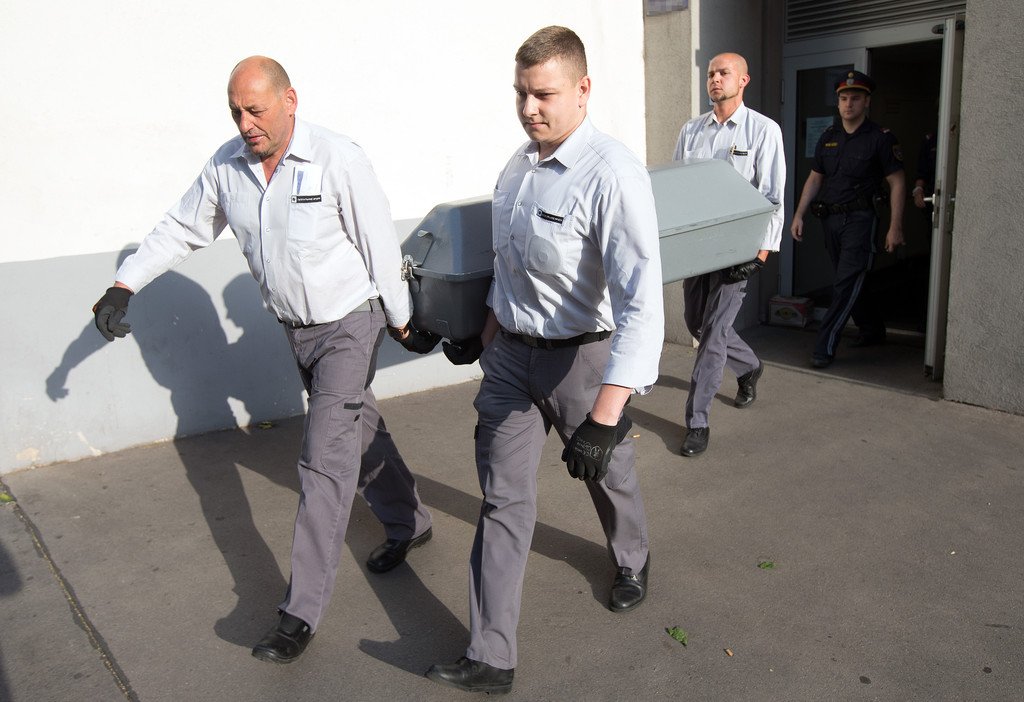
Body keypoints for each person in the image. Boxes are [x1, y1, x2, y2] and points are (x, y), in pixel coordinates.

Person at [90, 56, 441, 664]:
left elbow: (378, 241)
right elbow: (181, 227)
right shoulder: (227, 166)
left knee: (322, 461)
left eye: (255, 110)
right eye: (236, 112)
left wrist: (401, 317)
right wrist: (125, 284)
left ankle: (299, 612)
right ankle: (410, 520)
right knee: (356, 427)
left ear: (289, 101)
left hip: (350, 322)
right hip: (297, 331)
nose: (245, 123)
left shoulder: (337, 158)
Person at [425, 26, 664, 695]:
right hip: (510, 360)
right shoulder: (518, 168)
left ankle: (633, 557)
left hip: (581, 361)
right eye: (521, 93)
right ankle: (490, 655)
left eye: (544, 94)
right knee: (503, 499)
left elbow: (642, 304)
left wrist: (606, 418)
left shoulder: (612, 175)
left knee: (605, 472)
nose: (529, 108)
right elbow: (509, 270)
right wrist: (482, 334)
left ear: (583, 90)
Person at [671, 52, 785, 457]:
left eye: (724, 73)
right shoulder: (692, 131)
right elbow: (678, 188)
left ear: (743, 80)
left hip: (737, 248)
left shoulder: (763, 130)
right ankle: (750, 366)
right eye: (711, 74)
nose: (715, 79)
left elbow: (772, 196)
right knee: (696, 323)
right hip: (698, 248)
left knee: (714, 335)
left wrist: (761, 253)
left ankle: (697, 421)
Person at [791, 70, 905, 368]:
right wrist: (799, 214)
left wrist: (895, 226)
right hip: (831, 220)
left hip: (860, 220)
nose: (848, 104)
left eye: (855, 98)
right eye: (843, 98)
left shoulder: (880, 138)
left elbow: (897, 182)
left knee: (844, 283)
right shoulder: (829, 137)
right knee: (853, 279)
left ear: (867, 102)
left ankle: (824, 346)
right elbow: (815, 179)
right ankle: (872, 328)